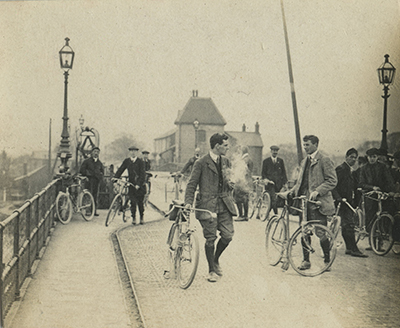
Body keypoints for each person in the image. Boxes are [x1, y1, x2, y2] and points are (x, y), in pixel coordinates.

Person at [184, 133, 237, 283]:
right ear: (217, 146)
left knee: (228, 235)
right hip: (207, 205)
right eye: (226, 145)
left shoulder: (226, 162)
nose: (228, 148)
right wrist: (188, 202)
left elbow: (229, 181)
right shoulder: (201, 163)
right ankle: (211, 270)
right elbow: (192, 184)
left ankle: (215, 259)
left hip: (224, 204)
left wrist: (231, 184)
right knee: (210, 238)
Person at [289, 135, 337, 271]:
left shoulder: (324, 159)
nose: (305, 147)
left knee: (321, 232)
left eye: (308, 145)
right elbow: (300, 183)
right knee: (305, 231)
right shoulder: (305, 161)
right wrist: (290, 192)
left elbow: (332, 180)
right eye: (304, 145)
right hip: (305, 203)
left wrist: (318, 191)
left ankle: (327, 260)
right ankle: (306, 261)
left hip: (318, 203)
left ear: (316, 144)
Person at [332, 148, 368, 257]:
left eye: (355, 158)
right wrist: (338, 198)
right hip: (342, 202)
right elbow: (333, 185)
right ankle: (354, 249)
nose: (353, 159)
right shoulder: (341, 169)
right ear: (346, 157)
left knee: (346, 225)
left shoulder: (351, 170)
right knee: (349, 225)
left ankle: (349, 248)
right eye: (351, 157)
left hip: (348, 202)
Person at [359, 147, 395, 242]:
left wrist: (390, 191)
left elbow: (389, 180)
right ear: (367, 157)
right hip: (370, 196)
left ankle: (381, 240)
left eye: (374, 157)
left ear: (377, 157)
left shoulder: (383, 167)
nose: (372, 159)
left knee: (382, 215)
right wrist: (372, 188)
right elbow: (361, 183)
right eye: (370, 157)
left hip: (381, 195)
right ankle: (372, 242)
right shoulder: (363, 169)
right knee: (370, 217)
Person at [114, 146, 146, 225]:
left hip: (140, 185)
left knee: (140, 203)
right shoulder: (127, 161)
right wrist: (115, 178)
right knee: (133, 202)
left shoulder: (140, 162)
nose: (133, 153)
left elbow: (143, 174)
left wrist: (139, 184)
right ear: (129, 152)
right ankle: (134, 217)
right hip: (131, 185)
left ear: (137, 152)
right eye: (131, 151)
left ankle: (141, 217)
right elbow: (121, 169)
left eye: (135, 151)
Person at [261, 145, 288, 217]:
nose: (275, 152)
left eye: (276, 151)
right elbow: (263, 174)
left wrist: (285, 183)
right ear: (271, 151)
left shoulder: (280, 161)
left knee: (277, 200)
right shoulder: (266, 161)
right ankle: (276, 215)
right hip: (269, 185)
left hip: (278, 184)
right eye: (273, 151)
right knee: (273, 199)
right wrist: (268, 181)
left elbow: (283, 173)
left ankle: (264, 213)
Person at [79, 146, 104, 216]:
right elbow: (82, 170)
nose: (96, 153)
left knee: (95, 195)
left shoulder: (99, 163)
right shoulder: (87, 161)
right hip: (88, 180)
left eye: (97, 152)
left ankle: (94, 210)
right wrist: (87, 174)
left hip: (96, 181)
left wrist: (100, 177)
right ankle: (88, 210)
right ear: (91, 153)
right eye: (94, 151)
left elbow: (102, 172)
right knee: (88, 195)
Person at [234, 146, 254, 221]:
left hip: (242, 181)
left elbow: (241, 171)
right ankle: (246, 216)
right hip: (248, 181)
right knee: (246, 198)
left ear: (242, 151)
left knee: (238, 197)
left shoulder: (243, 160)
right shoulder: (249, 159)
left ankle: (241, 215)